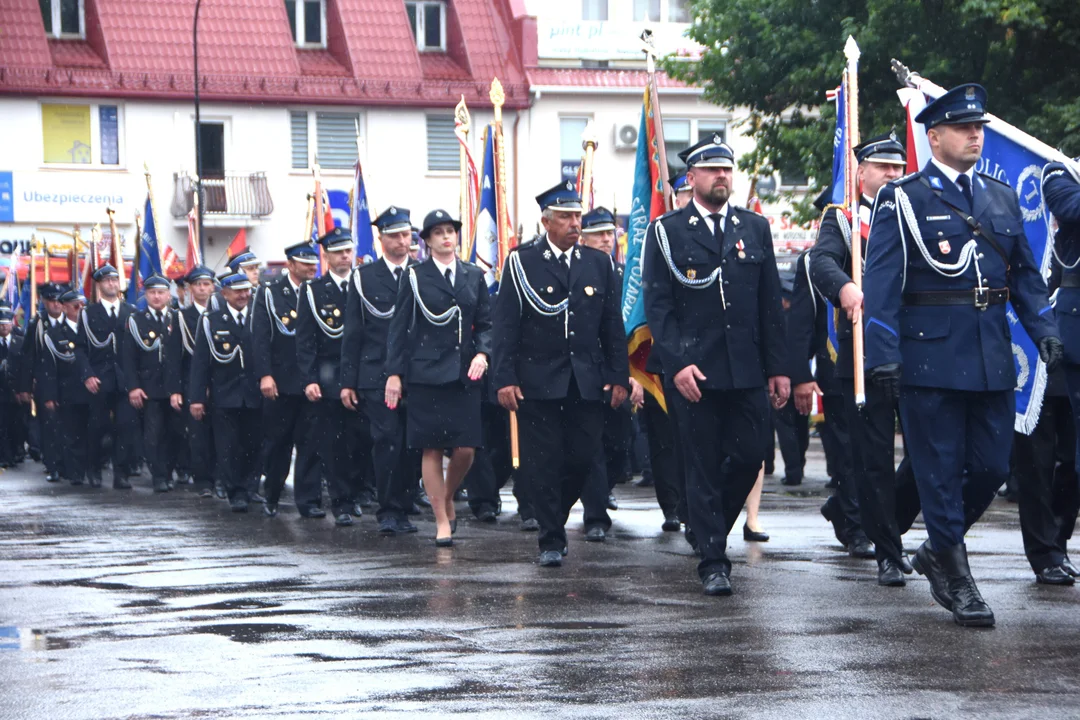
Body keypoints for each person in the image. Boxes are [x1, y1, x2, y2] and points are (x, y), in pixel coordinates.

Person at [863, 84, 1063, 626]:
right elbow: (881, 285)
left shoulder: (998, 197)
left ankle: (934, 550)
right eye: (963, 127)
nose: (976, 134)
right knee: (939, 470)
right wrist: (881, 354)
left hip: (991, 355)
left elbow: (1023, 275)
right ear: (934, 137)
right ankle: (957, 579)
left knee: (992, 466)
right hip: (928, 360)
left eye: (979, 127)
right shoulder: (903, 198)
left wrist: (1043, 328)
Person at [642, 135, 790, 596]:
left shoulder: (754, 227)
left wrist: (779, 367)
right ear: (692, 178)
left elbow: (769, 305)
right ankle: (712, 559)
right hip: (695, 371)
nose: (722, 175)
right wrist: (676, 363)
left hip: (745, 367)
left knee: (751, 455)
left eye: (727, 168)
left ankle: (708, 530)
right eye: (711, 169)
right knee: (701, 464)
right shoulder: (666, 232)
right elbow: (659, 306)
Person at [493, 181, 629, 567]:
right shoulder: (521, 262)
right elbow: (505, 326)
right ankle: (551, 537)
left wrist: (618, 375)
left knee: (584, 457)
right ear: (546, 221)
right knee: (542, 461)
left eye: (577, 216)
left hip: (586, 380)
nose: (575, 223)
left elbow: (611, 325)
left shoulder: (598, 263)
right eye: (567, 217)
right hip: (538, 380)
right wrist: (504, 378)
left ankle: (555, 515)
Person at [810, 132, 915, 574]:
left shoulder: (917, 211)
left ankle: (872, 517)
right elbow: (822, 262)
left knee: (927, 454)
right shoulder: (844, 219)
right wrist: (845, 286)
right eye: (884, 167)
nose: (893, 174)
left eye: (898, 167)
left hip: (917, 348)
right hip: (864, 353)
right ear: (861, 173)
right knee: (873, 458)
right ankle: (889, 553)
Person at [385, 209, 493, 545]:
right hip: (425, 374)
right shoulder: (415, 276)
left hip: (463, 374)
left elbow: (487, 324)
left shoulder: (474, 275)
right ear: (428, 241)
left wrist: (482, 353)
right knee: (430, 449)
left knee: (466, 449)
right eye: (438, 233)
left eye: (451, 231)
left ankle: (447, 495)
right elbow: (399, 329)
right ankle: (441, 519)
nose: (447, 237)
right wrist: (394, 374)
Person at [341, 208, 420, 535]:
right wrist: (347, 381)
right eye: (395, 236)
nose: (403, 242)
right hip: (375, 374)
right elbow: (353, 331)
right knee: (387, 441)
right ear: (381, 238)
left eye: (407, 235)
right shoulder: (365, 276)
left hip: (416, 374)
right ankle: (388, 510)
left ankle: (406, 503)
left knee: (412, 444)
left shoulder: (421, 272)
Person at [251, 241, 324, 518]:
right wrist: (265, 375)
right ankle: (271, 493)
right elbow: (260, 338)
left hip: (312, 381)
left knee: (311, 442)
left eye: (313, 263)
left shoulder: (318, 291)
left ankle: (308, 501)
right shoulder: (270, 293)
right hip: (281, 381)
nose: (311, 268)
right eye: (305, 263)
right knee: (278, 442)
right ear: (290, 264)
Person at [577, 206, 634, 541]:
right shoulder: (578, 271)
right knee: (592, 445)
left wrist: (628, 374)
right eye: (598, 233)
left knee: (619, 441)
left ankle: (602, 489)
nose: (605, 239)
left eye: (610, 233)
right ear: (582, 237)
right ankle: (595, 513)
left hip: (621, 370)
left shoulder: (626, 272)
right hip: (587, 371)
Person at [297, 227, 361, 526]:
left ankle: (358, 494)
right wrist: (309, 378)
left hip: (363, 373)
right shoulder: (313, 291)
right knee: (333, 443)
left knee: (359, 442)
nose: (344, 256)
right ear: (326, 256)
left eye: (348, 250)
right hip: (329, 374)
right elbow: (306, 340)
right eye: (338, 252)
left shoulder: (363, 283)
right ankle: (342, 502)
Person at [188, 272, 262, 512]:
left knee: (253, 444)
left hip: (254, 393)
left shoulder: (257, 317)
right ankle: (235, 491)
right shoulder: (211, 321)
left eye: (246, 290)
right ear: (224, 293)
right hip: (225, 393)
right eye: (238, 291)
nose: (243, 295)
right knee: (228, 446)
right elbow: (200, 362)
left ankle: (251, 487)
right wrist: (197, 398)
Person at [1040, 155, 1080, 580]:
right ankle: (1053, 543)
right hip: (1070, 335)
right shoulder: (1061, 172)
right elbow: (1069, 208)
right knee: (1064, 456)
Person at [121, 274, 174, 493]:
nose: (156, 296)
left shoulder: (176, 318)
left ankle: (170, 471)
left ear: (168, 295)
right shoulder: (136, 320)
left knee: (174, 433)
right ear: (145, 295)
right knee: (153, 434)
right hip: (149, 387)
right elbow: (128, 358)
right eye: (152, 292)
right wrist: (133, 386)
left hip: (173, 387)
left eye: (161, 292)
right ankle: (159, 475)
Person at [168, 266, 218, 498]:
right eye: (198, 284)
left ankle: (221, 478)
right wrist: (175, 390)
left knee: (220, 434)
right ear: (190, 288)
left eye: (206, 284)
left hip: (219, 383)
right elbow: (174, 358)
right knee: (197, 435)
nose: (202, 288)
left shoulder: (220, 314)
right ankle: (203, 481)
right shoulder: (182, 317)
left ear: (213, 287)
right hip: (191, 383)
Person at [40, 288, 93, 486]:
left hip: (93, 390)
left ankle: (91, 469)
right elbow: (49, 368)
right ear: (64, 307)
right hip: (69, 391)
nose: (80, 310)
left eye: (83, 306)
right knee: (72, 434)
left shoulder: (91, 329)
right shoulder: (54, 334)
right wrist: (50, 396)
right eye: (75, 306)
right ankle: (76, 472)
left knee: (93, 432)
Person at [17, 283, 67, 483]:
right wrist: (24, 387)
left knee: (68, 425)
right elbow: (27, 357)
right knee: (49, 426)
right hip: (45, 383)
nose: (56, 305)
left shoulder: (72, 321)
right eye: (52, 301)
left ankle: (67, 465)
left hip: (67, 383)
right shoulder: (37, 324)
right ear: (45, 302)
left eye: (59, 301)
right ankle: (53, 465)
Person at [0, 307, 24, 468]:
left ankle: (17, 452)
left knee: (17, 424)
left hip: (15, 390)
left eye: (6, 324)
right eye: (1, 324)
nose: (3, 327)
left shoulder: (19, 341)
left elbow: (24, 367)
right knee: (2, 426)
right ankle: (5, 456)